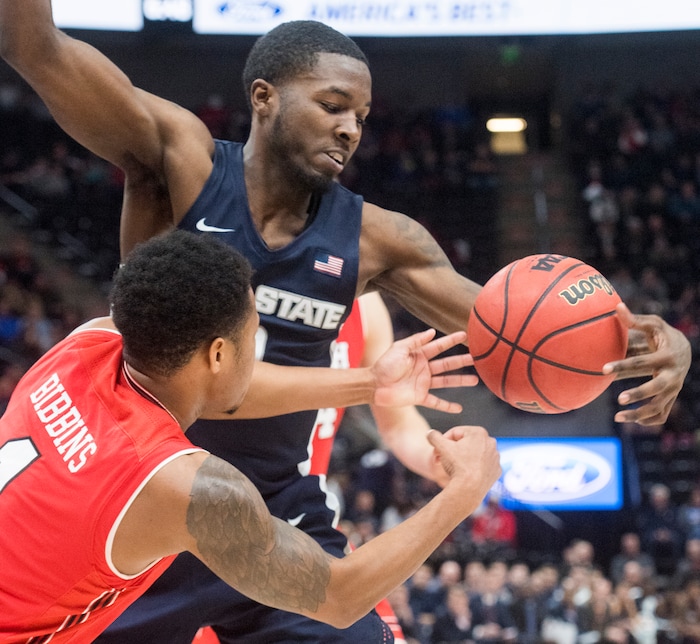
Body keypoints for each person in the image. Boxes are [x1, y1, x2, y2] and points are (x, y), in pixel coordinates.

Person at [0, 8, 691, 642]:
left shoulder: (376, 240)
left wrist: (648, 343)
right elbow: (37, 47)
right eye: (332, 105)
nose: (349, 129)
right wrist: (371, 389)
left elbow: (519, 337)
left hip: (273, 507)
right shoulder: (181, 159)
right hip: (145, 504)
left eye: (360, 115)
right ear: (263, 97)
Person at [0, 229, 503, 642]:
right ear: (218, 354)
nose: (257, 352)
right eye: (252, 334)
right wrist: (463, 492)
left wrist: (370, 383)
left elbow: (233, 389)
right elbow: (339, 596)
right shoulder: (181, 484)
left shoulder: (86, 344)